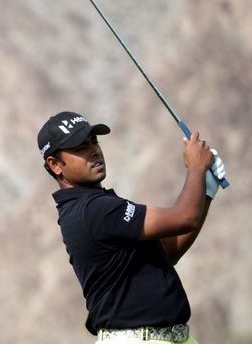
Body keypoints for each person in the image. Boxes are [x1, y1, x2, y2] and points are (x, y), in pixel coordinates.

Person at [37, 111, 225, 344]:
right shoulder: (93, 210)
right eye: (80, 148)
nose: (94, 150)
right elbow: (185, 217)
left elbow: (168, 252)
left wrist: (205, 191)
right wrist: (196, 167)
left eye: (93, 141)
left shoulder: (91, 207)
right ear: (55, 165)